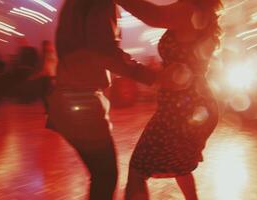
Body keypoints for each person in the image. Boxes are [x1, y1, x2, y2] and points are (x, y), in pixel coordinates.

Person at [47, 0, 158, 199]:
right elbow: (105, 53)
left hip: (65, 98)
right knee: (105, 175)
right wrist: (152, 77)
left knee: (101, 174)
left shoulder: (74, 6)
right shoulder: (98, 3)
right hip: (82, 102)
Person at [116, 0, 222, 199]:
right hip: (192, 105)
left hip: (181, 109)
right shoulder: (200, 11)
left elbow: (154, 15)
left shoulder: (189, 9)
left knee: (138, 168)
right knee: (180, 166)